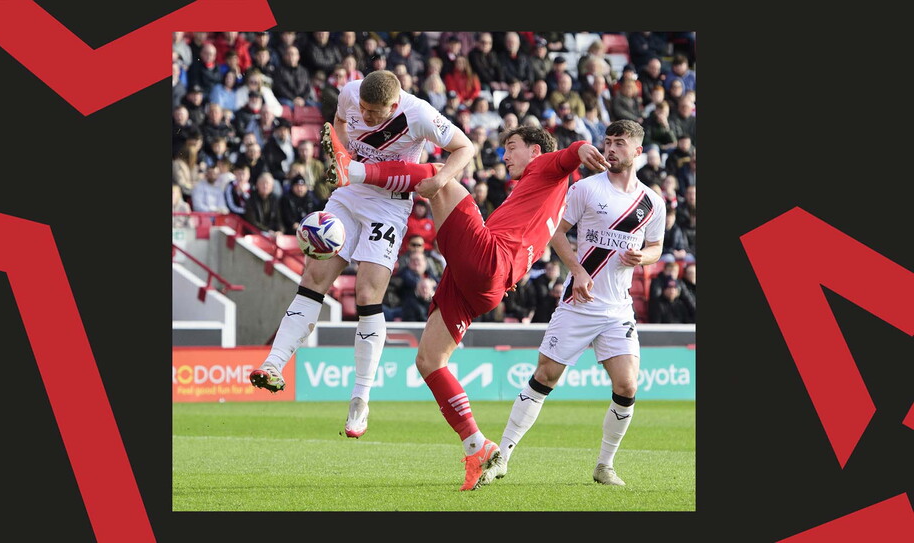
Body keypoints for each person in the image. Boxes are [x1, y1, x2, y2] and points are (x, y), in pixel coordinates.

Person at [321, 122, 610, 490]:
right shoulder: (543, 191)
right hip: (487, 282)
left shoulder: (545, 165)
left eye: (513, 146)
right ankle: (476, 446)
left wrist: (582, 148)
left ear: (535, 151)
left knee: (439, 176)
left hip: (489, 260)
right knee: (429, 361)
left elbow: (568, 154)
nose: (505, 156)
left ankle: (355, 169)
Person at [249, 70, 475, 443]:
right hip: (349, 194)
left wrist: (439, 179)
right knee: (313, 280)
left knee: (368, 295)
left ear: (394, 103)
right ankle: (274, 364)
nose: (366, 117)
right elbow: (339, 122)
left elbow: (465, 147)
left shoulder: (419, 114)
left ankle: (361, 397)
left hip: (389, 206)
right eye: (363, 110)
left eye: (375, 113)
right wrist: (340, 153)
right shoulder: (350, 93)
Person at [483, 120, 666, 488]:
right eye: (608, 141)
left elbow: (657, 247)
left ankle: (604, 465)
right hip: (578, 302)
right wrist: (579, 271)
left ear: (637, 152)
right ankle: (501, 456)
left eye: (620, 143)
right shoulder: (585, 188)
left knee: (628, 385)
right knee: (546, 376)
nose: (611, 149)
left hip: (617, 309)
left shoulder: (652, 203)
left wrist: (643, 257)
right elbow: (555, 231)